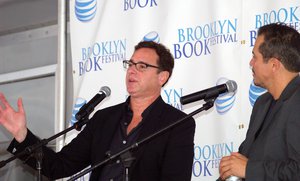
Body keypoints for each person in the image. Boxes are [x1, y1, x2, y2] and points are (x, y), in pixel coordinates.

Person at [0, 41, 196, 181]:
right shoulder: (104, 118)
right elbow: (60, 165)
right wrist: (22, 134)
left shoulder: (177, 124)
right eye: (130, 64)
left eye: (142, 66)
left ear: (162, 77)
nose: (132, 71)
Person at [219, 23, 300, 180]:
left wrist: (248, 169)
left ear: (274, 65)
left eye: (255, 57)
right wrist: (232, 167)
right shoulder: (262, 103)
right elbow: (245, 157)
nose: (251, 63)